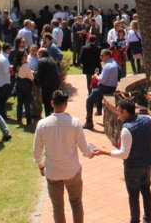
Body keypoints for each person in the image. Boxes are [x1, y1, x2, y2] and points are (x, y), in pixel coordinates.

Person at [93, 99, 151, 223]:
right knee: (146, 191)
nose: (117, 112)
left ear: (125, 112)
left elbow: (124, 154)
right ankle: (148, 218)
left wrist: (104, 152)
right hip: (147, 163)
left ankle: (135, 220)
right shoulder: (146, 119)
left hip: (133, 166)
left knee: (133, 195)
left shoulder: (126, 130)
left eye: (119, 110)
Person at [34, 90, 95, 223]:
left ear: (52, 103)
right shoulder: (74, 122)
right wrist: (91, 153)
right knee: (76, 203)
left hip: (53, 171)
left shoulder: (42, 124)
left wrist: (41, 166)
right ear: (66, 104)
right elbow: (84, 148)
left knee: (57, 206)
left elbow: (36, 152)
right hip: (72, 170)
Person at [84, 49, 119, 130]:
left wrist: (96, 76)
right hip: (112, 87)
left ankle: (89, 122)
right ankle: (99, 110)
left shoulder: (107, 66)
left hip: (106, 87)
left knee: (89, 100)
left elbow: (102, 80)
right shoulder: (114, 63)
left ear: (107, 56)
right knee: (97, 92)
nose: (100, 57)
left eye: (102, 55)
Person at [36, 48, 61, 119]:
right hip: (55, 83)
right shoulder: (51, 59)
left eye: (38, 54)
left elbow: (39, 73)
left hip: (47, 84)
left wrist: (33, 73)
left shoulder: (42, 60)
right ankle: (52, 115)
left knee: (46, 101)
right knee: (52, 100)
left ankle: (48, 117)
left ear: (41, 53)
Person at [13, 49, 34, 126]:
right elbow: (31, 77)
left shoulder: (18, 64)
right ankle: (29, 121)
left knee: (20, 103)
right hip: (25, 84)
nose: (26, 56)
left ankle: (19, 120)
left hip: (19, 84)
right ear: (21, 57)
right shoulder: (25, 65)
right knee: (27, 103)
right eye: (25, 55)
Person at [0, 43, 12, 119]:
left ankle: (0, 113)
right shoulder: (4, 59)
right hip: (4, 81)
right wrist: (10, 68)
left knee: (0, 99)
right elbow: (5, 71)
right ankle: (2, 114)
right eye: (9, 49)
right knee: (3, 100)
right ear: (7, 49)